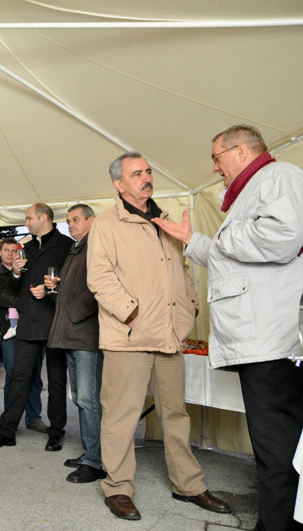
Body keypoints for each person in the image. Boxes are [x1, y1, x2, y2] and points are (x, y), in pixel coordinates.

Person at [154, 125, 303, 531]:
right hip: (263, 338)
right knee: (275, 444)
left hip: (272, 340)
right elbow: (233, 257)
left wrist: (224, 235)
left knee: (275, 446)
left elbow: (283, 237)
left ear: (240, 151)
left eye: (217, 158)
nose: (215, 168)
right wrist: (193, 239)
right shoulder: (253, 189)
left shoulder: (278, 176)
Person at [86, 152, 231, 521]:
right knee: (121, 416)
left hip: (169, 333)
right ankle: (118, 488)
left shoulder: (164, 219)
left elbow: (181, 269)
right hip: (129, 337)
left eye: (148, 171)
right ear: (119, 184)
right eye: (137, 173)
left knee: (176, 414)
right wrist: (131, 313)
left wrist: (189, 306)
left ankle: (189, 485)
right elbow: (99, 277)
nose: (146, 177)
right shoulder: (106, 223)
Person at [0, 203, 72, 451]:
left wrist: (52, 289)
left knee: (56, 382)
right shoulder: (27, 248)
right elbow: (15, 287)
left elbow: (75, 284)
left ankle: (56, 432)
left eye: (29, 218)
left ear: (43, 218)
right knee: (18, 378)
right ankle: (6, 431)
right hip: (28, 324)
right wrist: (16, 274)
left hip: (54, 323)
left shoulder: (66, 246)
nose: (26, 221)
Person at [44, 204, 104, 483]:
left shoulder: (97, 246)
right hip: (72, 334)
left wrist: (72, 312)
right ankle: (91, 452)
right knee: (80, 398)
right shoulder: (77, 249)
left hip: (86, 335)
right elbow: (72, 292)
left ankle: (97, 460)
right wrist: (55, 288)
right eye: (68, 221)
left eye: (76, 219)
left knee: (89, 400)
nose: (70, 225)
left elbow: (99, 286)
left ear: (92, 220)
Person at [0, 237, 46, 432]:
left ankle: (33, 417)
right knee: (12, 375)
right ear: (0, 252)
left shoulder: (29, 272)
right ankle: (10, 419)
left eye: (14, 251)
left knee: (34, 375)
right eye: (7, 250)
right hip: (9, 331)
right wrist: (27, 301)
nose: (11, 254)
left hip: (32, 328)